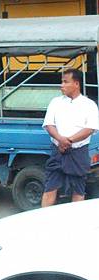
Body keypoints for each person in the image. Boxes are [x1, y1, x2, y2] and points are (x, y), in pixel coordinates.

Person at [41, 68, 99, 207]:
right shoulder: (55, 102)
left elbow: (89, 128)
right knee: (50, 188)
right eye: (62, 81)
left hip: (78, 153)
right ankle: (43, 221)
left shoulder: (89, 105)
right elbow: (49, 125)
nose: (62, 85)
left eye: (66, 82)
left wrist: (69, 141)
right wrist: (60, 140)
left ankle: (75, 224)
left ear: (76, 84)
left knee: (78, 190)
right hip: (58, 151)